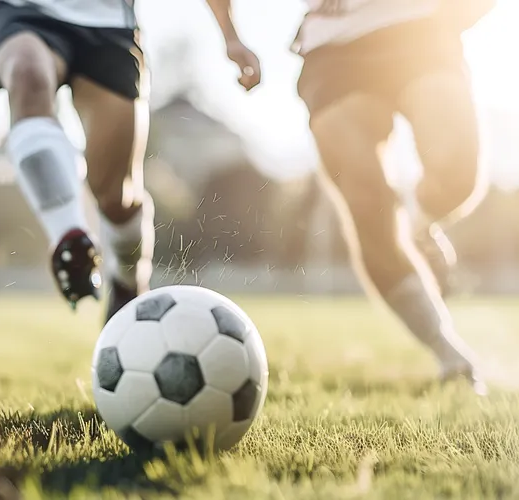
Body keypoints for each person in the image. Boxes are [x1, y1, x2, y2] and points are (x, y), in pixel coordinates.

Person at [0, 0, 259, 321]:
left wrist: (232, 36)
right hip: (17, 9)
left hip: (109, 22)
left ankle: (128, 280)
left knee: (117, 196)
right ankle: (70, 238)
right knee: (27, 75)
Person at [207, 0, 494, 392]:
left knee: (455, 173)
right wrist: (230, 36)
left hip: (419, 24)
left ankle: (419, 224)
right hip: (334, 45)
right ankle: (449, 353)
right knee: (366, 203)